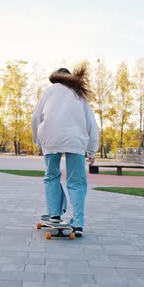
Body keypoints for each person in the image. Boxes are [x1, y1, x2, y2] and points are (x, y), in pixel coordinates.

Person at [31, 65, 99, 237]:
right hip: (75, 141)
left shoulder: (49, 91)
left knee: (51, 176)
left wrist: (38, 143)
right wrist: (92, 150)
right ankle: (78, 223)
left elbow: (35, 118)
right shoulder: (79, 94)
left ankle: (54, 215)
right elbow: (92, 124)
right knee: (76, 182)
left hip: (50, 138)